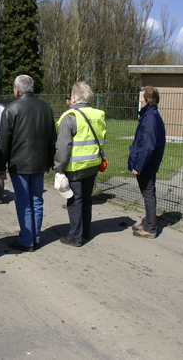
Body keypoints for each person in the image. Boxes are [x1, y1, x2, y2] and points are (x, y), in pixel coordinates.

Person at [0, 75, 56, 251]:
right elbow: (52, 137)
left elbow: (4, 141)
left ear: (17, 89)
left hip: (19, 163)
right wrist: (49, 161)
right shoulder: (45, 107)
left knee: (24, 202)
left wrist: (0, 166)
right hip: (39, 163)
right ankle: (35, 237)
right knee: (37, 200)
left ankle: (26, 240)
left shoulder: (11, 109)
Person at [54, 81, 106, 247]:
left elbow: (63, 147)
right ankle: (86, 231)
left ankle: (75, 236)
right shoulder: (98, 115)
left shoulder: (70, 117)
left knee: (74, 201)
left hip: (75, 168)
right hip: (92, 164)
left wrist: (58, 168)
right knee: (86, 199)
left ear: (74, 98)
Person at [128, 86, 166, 239]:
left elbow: (148, 144)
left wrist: (139, 165)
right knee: (148, 193)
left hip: (146, 164)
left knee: (148, 194)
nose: (140, 100)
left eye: (141, 97)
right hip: (149, 162)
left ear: (148, 99)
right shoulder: (151, 115)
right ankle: (148, 221)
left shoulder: (150, 117)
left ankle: (150, 227)